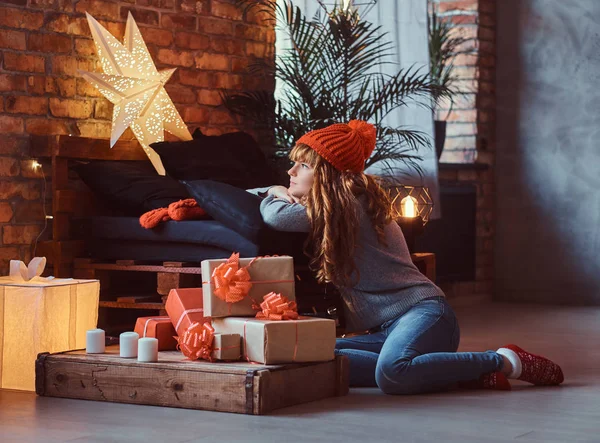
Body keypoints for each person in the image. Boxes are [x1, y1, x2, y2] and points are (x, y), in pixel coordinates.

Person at [250, 120, 564, 394]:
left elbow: (277, 216)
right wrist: (272, 189)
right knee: (319, 352)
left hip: (426, 316)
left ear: (329, 173)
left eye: (303, 165)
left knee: (391, 374)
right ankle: (465, 374)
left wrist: (275, 191)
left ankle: (503, 361)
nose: (290, 172)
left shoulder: (348, 204)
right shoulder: (337, 205)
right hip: (386, 331)